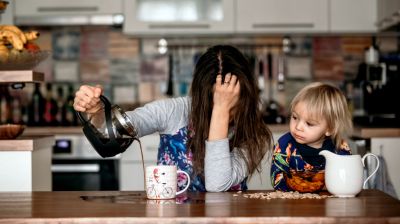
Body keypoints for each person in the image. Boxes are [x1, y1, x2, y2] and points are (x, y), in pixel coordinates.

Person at [74, 45, 273, 192]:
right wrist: (96, 111)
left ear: (246, 95)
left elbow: (217, 184)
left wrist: (221, 109)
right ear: (199, 94)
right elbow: (122, 130)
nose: (220, 106)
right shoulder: (176, 110)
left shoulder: (255, 135)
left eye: (229, 99)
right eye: (213, 99)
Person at [270, 82, 353, 191]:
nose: (298, 127)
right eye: (295, 117)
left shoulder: (340, 148)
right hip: (292, 204)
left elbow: (346, 180)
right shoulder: (284, 145)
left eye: (309, 123)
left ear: (330, 128)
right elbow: (276, 179)